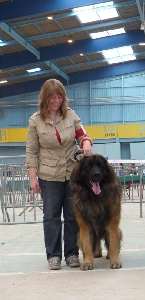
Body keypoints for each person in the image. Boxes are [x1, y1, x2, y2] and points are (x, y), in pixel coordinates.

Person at [26, 79, 93, 270]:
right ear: (45, 98)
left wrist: (86, 142)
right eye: (52, 97)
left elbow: (82, 134)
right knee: (51, 217)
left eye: (59, 97)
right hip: (48, 175)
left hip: (73, 173)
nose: (56, 101)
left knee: (73, 216)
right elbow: (31, 151)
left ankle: (72, 253)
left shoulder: (71, 115)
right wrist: (33, 178)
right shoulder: (35, 120)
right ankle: (53, 255)